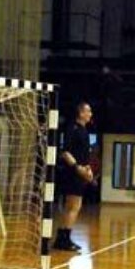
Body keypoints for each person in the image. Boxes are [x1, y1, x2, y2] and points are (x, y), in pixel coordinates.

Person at [55, 102, 95, 251]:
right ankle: (64, 239)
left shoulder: (84, 131)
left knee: (71, 206)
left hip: (80, 172)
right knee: (74, 206)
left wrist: (88, 170)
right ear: (81, 113)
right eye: (88, 111)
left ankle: (62, 237)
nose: (90, 114)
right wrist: (77, 168)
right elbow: (65, 153)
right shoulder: (73, 129)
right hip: (72, 174)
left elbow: (83, 154)